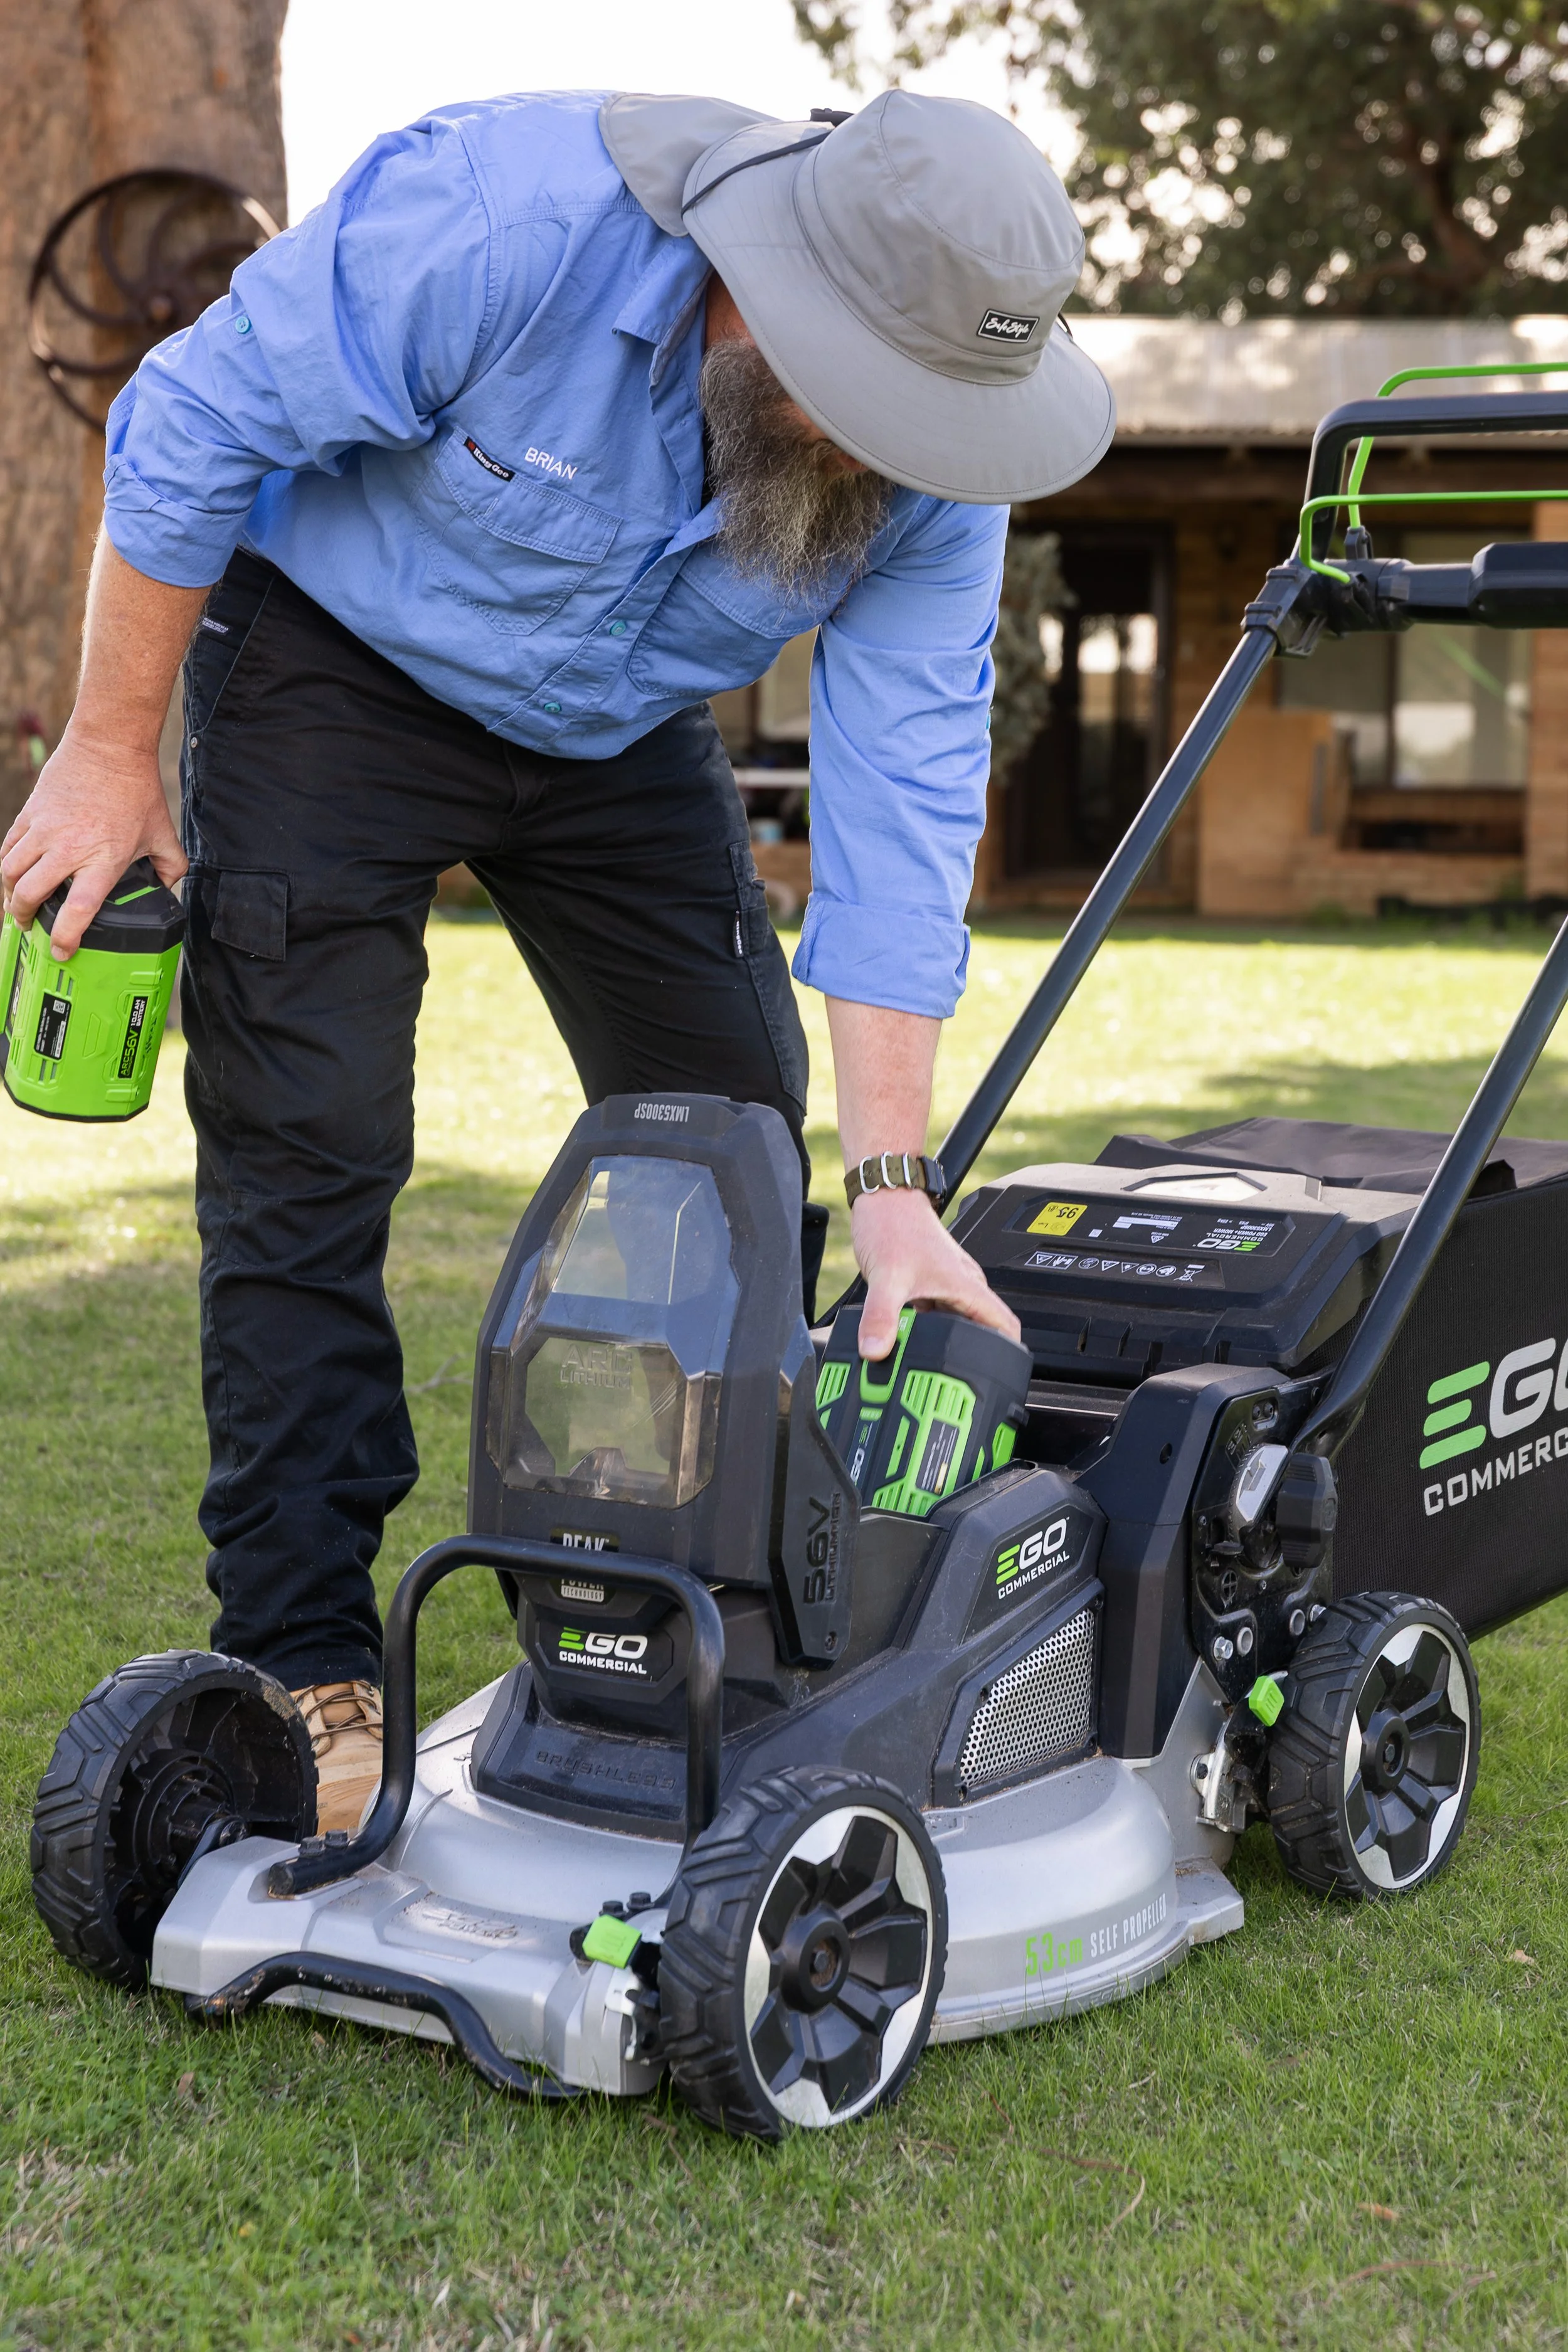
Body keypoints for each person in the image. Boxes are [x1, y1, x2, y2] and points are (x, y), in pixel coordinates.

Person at [0, 90, 1113, 1828]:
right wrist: (109, 746)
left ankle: (693, 1605)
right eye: (869, 406)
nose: (886, 458)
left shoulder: (928, 469)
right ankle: (306, 1657)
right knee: (313, 1144)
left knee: (736, 1120)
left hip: (615, 729)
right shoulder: (504, 228)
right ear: (760, 299)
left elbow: (901, 798)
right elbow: (194, 418)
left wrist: (892, 1181)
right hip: (334, 663)